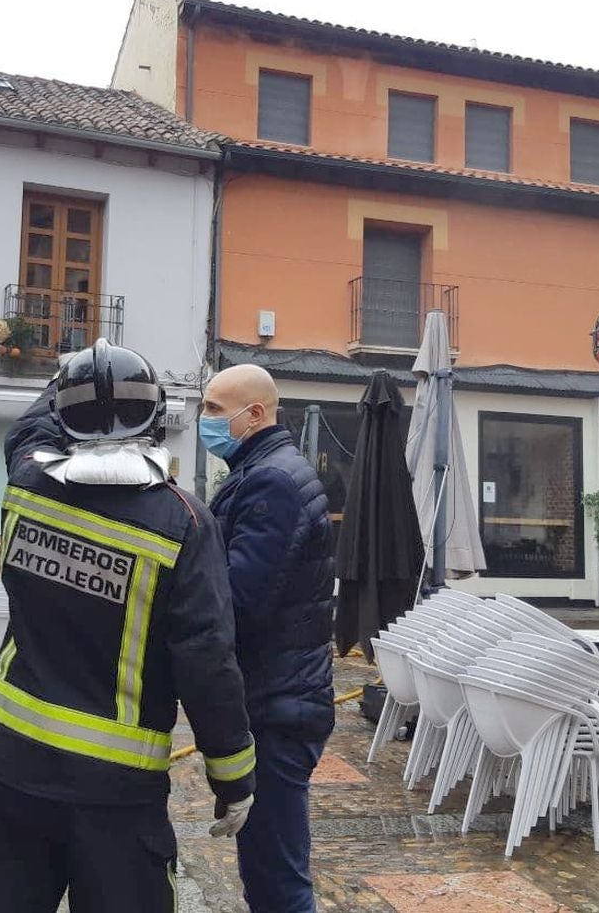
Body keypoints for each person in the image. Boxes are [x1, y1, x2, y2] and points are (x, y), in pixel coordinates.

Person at [0, 339, 256, 913]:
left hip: (11, 765)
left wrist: (77, 374)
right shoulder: (182, 521)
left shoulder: (27, 485)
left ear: (62, 413)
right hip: (115, 789)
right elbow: (206, 660)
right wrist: (231, 775)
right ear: (156, 417)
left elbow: (29, 433)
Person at [201, 364, 335, 913]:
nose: (205, 419)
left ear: (254, 413)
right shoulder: (258, 471)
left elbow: (235, 600)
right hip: (280, 694)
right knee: (267, 865)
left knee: (277, 877)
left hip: (279, 706)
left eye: (213, 409)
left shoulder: (271, 482)